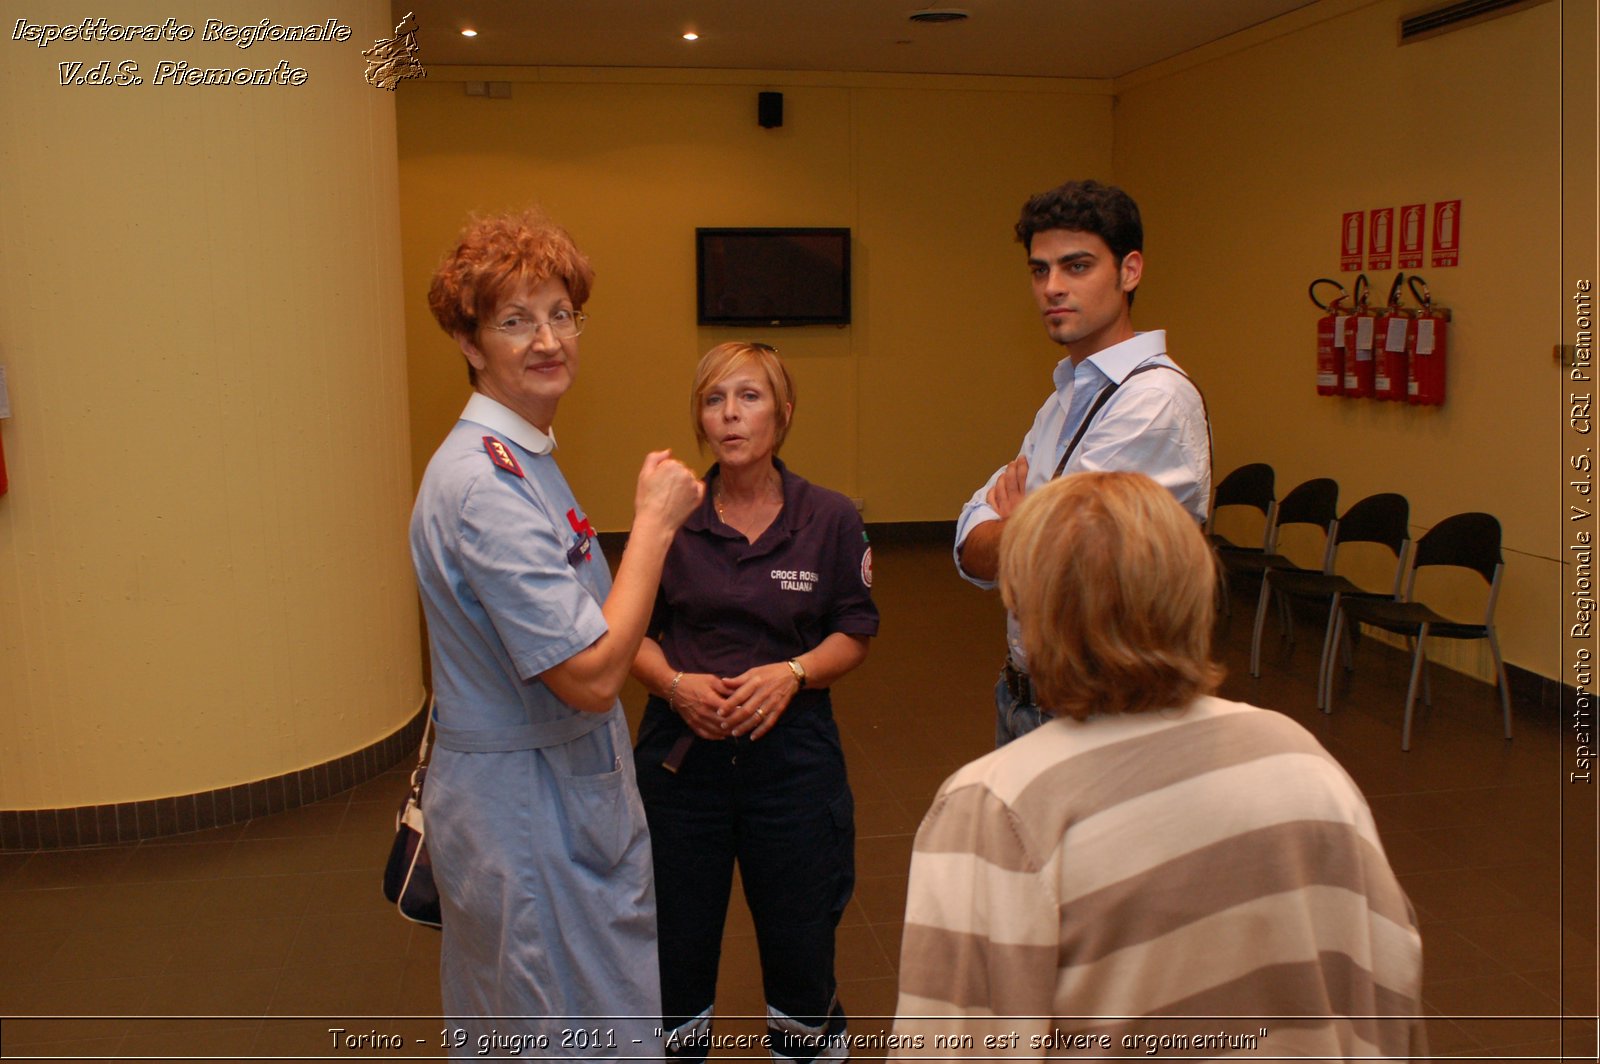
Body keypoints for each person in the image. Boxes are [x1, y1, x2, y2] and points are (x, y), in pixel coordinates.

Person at [893, 472, 1425, 1060]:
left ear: (1027, 607)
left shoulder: (995, 807)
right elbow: (1389, 987)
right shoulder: (1303, 760)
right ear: (1194, 587)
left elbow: (953, 1042)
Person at [409, 209, 702, 1058]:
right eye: (514, 320)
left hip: (557, 792)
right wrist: (652, 525)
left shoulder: (526, 454)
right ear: (469, 343)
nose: (547, 340)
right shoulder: (483, 486)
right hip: (525, 810)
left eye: (561, 314)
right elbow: (589, 677)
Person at [631, 342, 878, 1063]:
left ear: (785, 412)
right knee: (673, 960)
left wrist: (793, 673)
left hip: (794, 772)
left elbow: (856, 629)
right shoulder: (669, 515)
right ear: (699, 418)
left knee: (802, 959)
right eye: (714, 400)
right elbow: (627, 635)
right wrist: (676, 685)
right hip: (681, 774)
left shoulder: (829, 518)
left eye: (749, 397)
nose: (731, 416)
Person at [954, 179, 1211, 746]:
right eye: (1039, 270)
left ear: (1130, 271)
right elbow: (971, 542)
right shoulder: (1066, 396)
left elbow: (1063, 561)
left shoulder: (1154, 401)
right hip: (1025, 698)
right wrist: (1022, 528)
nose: (1052, 288)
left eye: (1076, 267)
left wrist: (1019, 525)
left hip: (1106, 715)